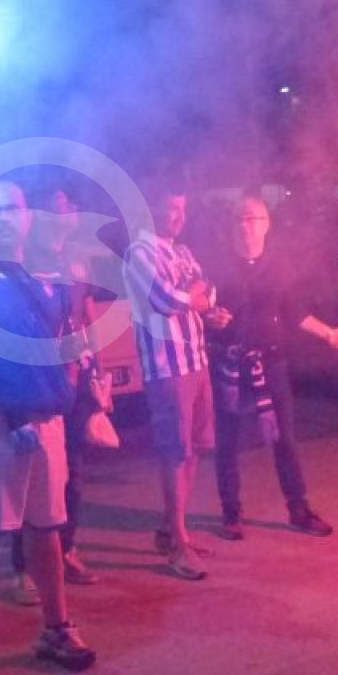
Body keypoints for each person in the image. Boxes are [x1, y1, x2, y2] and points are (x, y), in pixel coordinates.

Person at [0, 180, 97, 675]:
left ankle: (55, 629)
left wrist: (75, 391)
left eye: (12, 207)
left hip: (45, 422)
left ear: (27, 215)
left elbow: (66, 342)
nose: (4, 218)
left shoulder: (45, 277)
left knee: (47, 529)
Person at [204, 195, 338, 540]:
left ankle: (298, 509)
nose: (245, 226)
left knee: (284, 438)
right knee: (228, 441)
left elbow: (295, 312)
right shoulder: (218, 267)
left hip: (271, 362)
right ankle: (231, 513)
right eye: (239, 219)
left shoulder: (279, 267)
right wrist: (211, 318)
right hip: (230, 364)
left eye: (252, 219)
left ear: (266, 225)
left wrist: (329, 333)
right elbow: (202, 310)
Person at [8, 182, 101, 604]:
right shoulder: (26, 260)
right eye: (54, 206)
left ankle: (66, 550)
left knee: (73, 473)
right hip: (40, 381)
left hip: (75, 380)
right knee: (30, 475)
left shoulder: (78, 260)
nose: (63, 213)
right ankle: (22, 567)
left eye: (68, 205)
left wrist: (95, 368)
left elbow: (86, 314)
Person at [123, 179, 216, 580]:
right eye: (170, 208)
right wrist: (191, 295)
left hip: (197, 362)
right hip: (168, 369)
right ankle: (177, 544)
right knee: (175, 453)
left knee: (193, 449)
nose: (177, 217)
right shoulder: (139, 252)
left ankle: (172, 529)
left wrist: (195, 297)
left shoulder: (183, 251)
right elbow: (165, 300)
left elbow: (209, 290)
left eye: (182, 209)